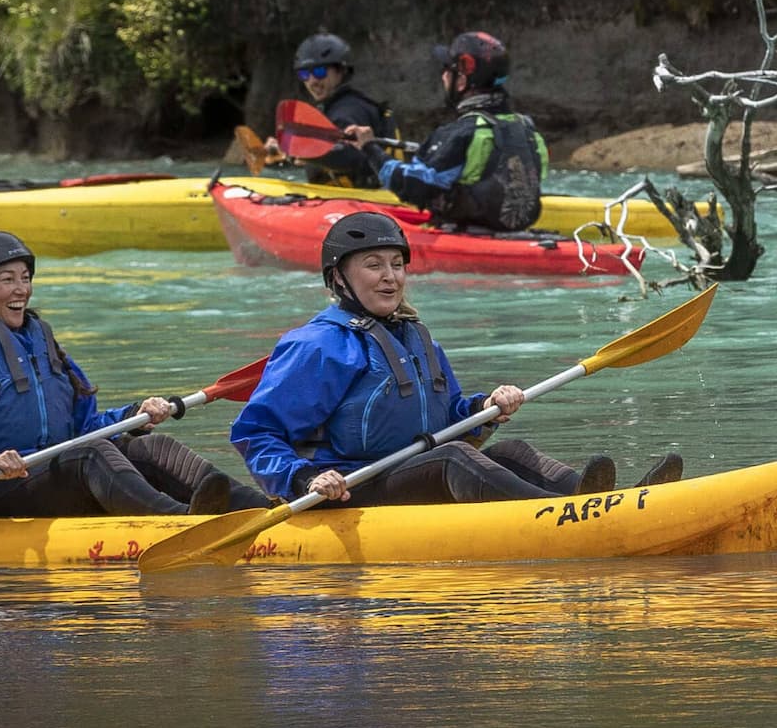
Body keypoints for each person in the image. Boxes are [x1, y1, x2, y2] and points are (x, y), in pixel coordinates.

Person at [227, 211, 678, 507]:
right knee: (452, 459)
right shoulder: (317, 345)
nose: (390, 278)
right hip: (351, 490)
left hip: (412, 475)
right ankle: (570, 517)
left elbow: (450, 418)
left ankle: (607, 502)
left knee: (512, 451)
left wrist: (484, 410)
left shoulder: (415, 337)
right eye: (373, 265)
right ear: (339, 279)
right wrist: (304, 479)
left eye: (396, 265)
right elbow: (256, 432)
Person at [0, 232, 247, 519]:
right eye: (7, 280)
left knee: (150, 447)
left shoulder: (40, 344)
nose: (21, 290)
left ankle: (263, 507)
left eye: (25, 279)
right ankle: (181, 522)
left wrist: (131, 416)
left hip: (52, 475)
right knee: (90, 456)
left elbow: (83, 427)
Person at [374, 31, 548, 234]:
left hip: (463, 235)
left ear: (463, 79)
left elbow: (413, 186)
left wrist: (370, 150)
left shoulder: (461, 133)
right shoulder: (528, 129)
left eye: (447, 69)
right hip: (516, 236)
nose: (443, 76)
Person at [280, 31, 386, 186]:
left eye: (319, 71)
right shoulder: (337, 105)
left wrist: (299, 149)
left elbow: (350, 155)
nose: (312, 81)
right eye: (304, 74)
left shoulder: (348, 110)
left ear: (341, 71)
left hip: (366, 201)